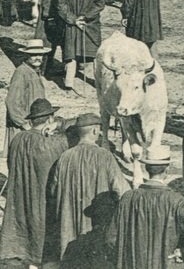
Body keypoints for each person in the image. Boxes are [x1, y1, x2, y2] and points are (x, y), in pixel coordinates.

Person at [44, 113, 129, 267]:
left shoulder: (64, 157)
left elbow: (53, 191)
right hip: (96, 227)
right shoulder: (105, 156)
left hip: (68, 224)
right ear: (95, 131)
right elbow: (122, 191)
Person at [107, 145, 184, 269]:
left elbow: (111, 238)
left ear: (146, 168)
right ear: (166, 170)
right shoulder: (177, 201)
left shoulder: (127, 198)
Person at [0, 98, 70, 269]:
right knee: (45, 246)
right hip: (44, 202)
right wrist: (60, 124)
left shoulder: (17, 140)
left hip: (21, 200)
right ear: (49, 119)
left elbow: (11, 165)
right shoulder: (54, 143)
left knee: (27, 240)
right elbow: (81, 126)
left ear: (31, 120)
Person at [56, 0, 106, 91]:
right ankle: (98, 82)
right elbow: (100, 4)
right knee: (94, 54)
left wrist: (73, 19)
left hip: (71, 26)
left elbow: (61, 6)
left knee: (71, 54)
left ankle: (68, 83)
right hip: (89, 25)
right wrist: (85, 16)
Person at [5, 40, 49, 147]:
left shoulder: (34, 71)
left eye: (40, 54)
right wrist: (24, 123)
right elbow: (12, 101)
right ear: (26, 56)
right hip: (23, 126)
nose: (38, 58)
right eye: (33, 55)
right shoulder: (21, 72)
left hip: (33, 124)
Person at [36, 0, 70, 75]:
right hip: (50, 14)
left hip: (53, 13)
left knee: (53, 41)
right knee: (46, 42)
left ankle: (47, 68)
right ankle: (42, 69)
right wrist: (48, 17)